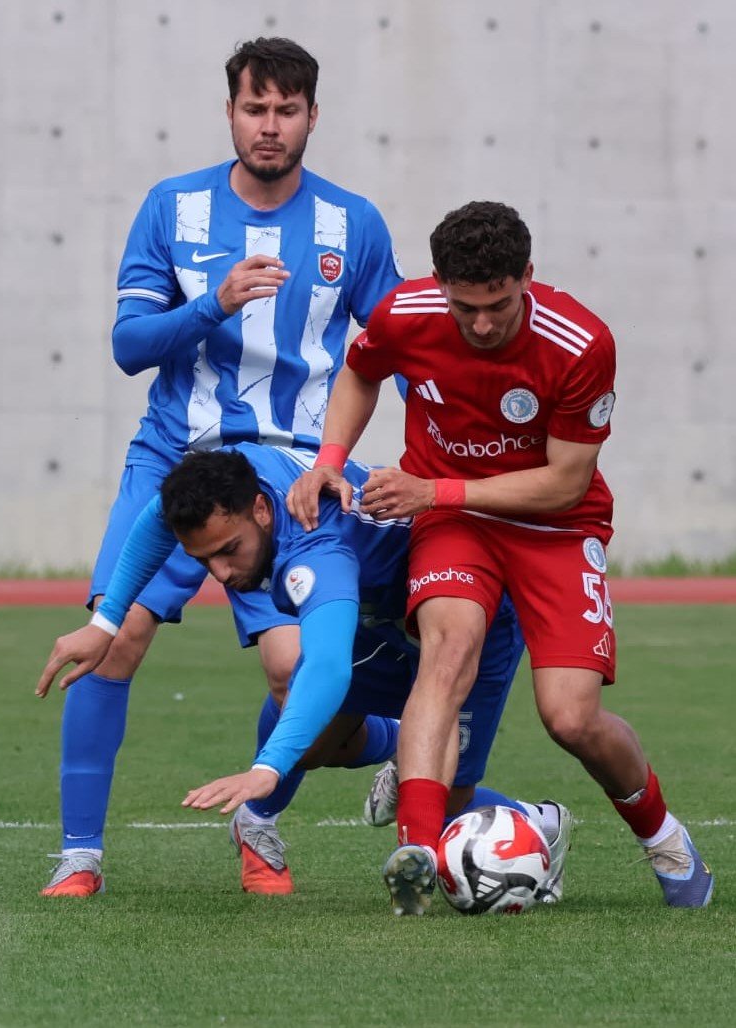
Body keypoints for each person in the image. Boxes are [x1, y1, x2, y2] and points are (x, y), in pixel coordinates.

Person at [35, 36, 403, 897]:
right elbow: (128, 346)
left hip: (291, 484)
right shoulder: (173, 209)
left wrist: (392, 461)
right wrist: (212, 302)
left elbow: (395, 352)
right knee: (110, 636)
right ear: (229, 111)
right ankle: (79, 855)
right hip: (179, 464)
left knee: (293, 669)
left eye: (285, 111)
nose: (267, 127)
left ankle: (265, 819)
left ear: (312, 116)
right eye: (253, 108)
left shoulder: (353, 224)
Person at [286, 200, 712, 913]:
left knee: (569, 718)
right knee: (447, 649)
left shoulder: (579, 343)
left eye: (498, 305)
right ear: (438, 285)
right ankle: (418, 849)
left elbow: (564, 480)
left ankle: (663, 837)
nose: (480, 324)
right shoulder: (404, 313)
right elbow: (361, 370)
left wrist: (435, 489)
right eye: (464, 307)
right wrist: (331, 458)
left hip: (553, 526)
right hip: (455, 524)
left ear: (527, 279)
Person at [38, 447, 569, 903]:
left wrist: (266, 770)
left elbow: (329, 667)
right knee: (312, 742)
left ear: (263, 511)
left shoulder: (315, 550)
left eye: (230, 551)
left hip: (467, 611)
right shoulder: (228, 482)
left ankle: (543, 822)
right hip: (380, 609)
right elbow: (156, 518)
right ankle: (409, 747)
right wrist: (103, 624)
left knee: (448, 793)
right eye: (207, 560)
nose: (221, 573)